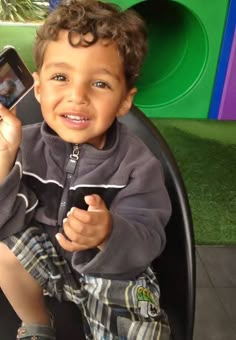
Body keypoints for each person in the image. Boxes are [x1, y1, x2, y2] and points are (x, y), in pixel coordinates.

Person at [0, 0, 172, 339]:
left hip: (115, 274)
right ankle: (37, 323)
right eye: (61, 77)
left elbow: (150, 238)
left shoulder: (138, 165)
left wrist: (108, 233)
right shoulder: (23, 145)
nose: (77, 95)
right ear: (38, 87)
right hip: (49, 265)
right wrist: (4, 164)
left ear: (125, 100)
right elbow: (8, 224)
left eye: (100, 83)